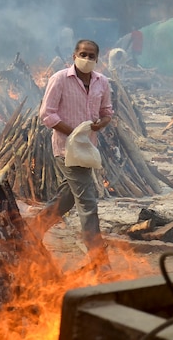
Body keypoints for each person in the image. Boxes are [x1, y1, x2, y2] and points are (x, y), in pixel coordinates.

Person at [29, 39, 114, 268]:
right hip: (65, 149)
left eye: (91, 55)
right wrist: (73, 132)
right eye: (83, 54)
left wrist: (101, 123)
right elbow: (47, 115)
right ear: (74, 55)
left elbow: (107, 111)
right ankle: (99, 258)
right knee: (87, 200)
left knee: (68, 195)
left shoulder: (102, 82)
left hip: (88, 150)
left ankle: (32, 230)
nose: (86, 59)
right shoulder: (59, 79)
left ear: (97, 58)